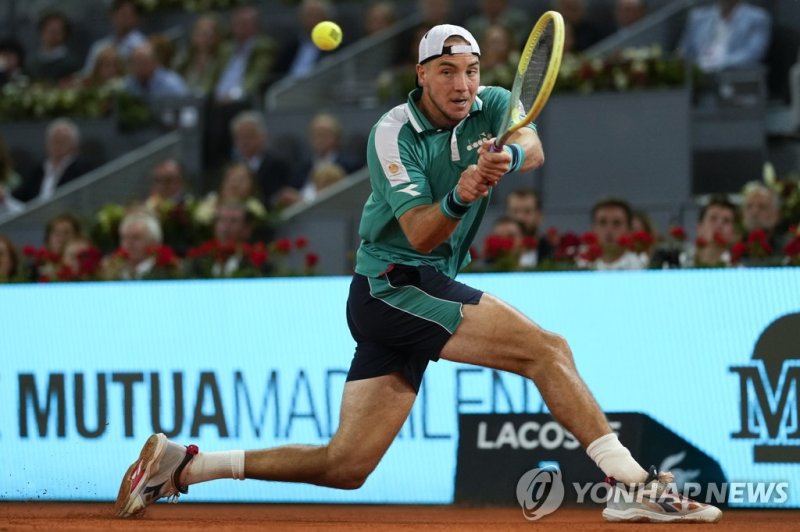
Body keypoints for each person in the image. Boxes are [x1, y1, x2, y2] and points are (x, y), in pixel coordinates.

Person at [114, 24, 721, 524]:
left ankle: (186, 464)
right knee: (546, 350)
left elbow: (532, 145)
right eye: (449, 70)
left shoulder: (491, 105)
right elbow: (422, 234)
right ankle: (634, 483)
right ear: (422, 74)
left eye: (473, 70)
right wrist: (460, 193)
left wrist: (504, 157)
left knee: (345, 466)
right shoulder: (391, 134)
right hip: (394, 285)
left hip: (409, 293)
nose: (464, 84)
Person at [678, 0, 771, 73]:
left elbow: (752, 55)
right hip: (698, 77)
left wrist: (717, 65)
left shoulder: (757, 18)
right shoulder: (698, 17)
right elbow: (684, 52)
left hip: (733, 76)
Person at [13, 118, 93, 203]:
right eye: (54, 140)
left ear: (74, 145)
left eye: (62, 141)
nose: (57, 145)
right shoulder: (39, 170)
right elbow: (20, 196)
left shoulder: (82, 170)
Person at [81, 0, 146, 77]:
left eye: (128, 15)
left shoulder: (144, 47)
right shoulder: (99, 46)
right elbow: (87, 74)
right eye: (120, 14)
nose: (123, 19)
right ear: (112, 15)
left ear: (137, 18)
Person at [584, 197, 648, 270]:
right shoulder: (581, 264)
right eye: (602, 222)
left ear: (629, 229)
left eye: (617, 223)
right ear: (593, 228)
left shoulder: (642, 264)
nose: (609, 230)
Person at [26, 11, 82, 83]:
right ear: (41, 31)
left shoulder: (72, 63)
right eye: (50, 31)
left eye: (58, 32)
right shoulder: (31, 62)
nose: (53, 35)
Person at [123, 41, 189, 99]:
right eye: (135, 63)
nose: (138, 67)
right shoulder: (130, 83)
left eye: (143, 63)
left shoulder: (172, 85)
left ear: (156, 63)